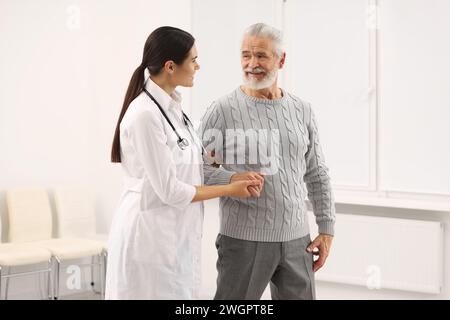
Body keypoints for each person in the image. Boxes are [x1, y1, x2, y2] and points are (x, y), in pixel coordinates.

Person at [106, 26, 261, 300]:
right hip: (149, 240)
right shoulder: (144, 115)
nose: (197, 66)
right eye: (193, 60)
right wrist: (229, 190)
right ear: (170, 66)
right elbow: (170, 190)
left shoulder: (174, 111)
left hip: (175, 239)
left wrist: (232, 177)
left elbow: (193, 168)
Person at [199, 23, 336, 300]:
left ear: (281, 59)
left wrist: (326, 227)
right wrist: (232, 180)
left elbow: (317, 172)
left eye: (261, 55)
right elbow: (200, 170)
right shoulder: (221, 111)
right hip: (243, 241)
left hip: (298, 240)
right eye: (245, 55)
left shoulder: (303, 111)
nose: (252, 64)